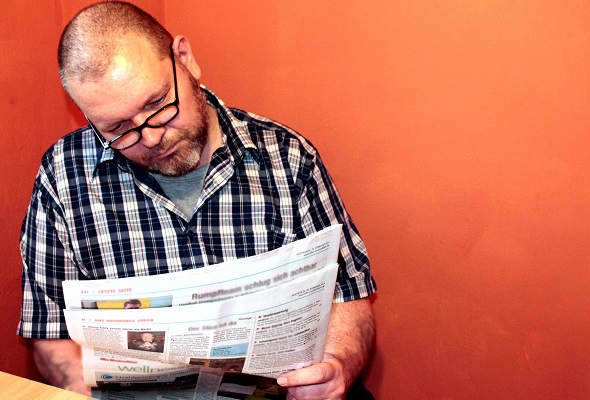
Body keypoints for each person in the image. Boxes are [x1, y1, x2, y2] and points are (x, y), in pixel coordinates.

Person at [17, 1, 377, 399]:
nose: (151, 138)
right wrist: (76, 388)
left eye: (157, 104)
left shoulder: (288, 159)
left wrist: (338, 365)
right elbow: (49, 333)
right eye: (117, 129)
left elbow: (350, 297)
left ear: (185, 60)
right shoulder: (63, 178)